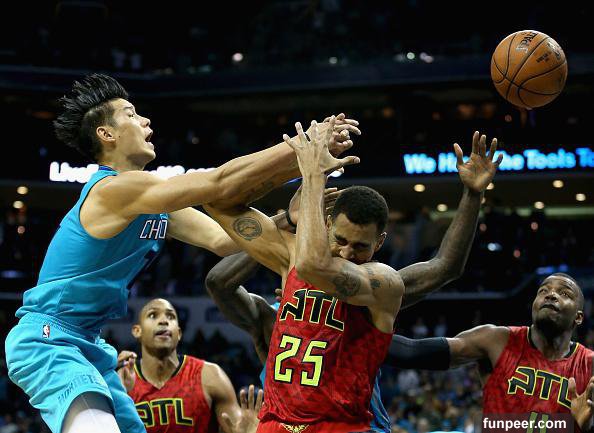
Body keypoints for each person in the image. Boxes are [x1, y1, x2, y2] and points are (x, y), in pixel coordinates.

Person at [4, 73, 360, 433]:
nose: (145, 120)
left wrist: (288, 217)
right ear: (106, 134)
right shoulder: (112, 190)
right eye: (131, 114)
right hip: (49, 339)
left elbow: (222, 241)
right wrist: (302, 146)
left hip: (90, 345)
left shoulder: (152, 203)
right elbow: (219, 183)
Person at [204, 121, 502, 432]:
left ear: (379, 243)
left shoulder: (380, 284)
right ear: (327, 225)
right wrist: (287, 206)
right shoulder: (291, 262)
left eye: (360, 246)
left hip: (342, 425)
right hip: (279, 424)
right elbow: (219, 201)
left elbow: (444, 266)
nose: (347, 253)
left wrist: (472, 194)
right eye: (341, 240)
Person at [384, 273, 594, 432]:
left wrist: (586, 427)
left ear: (578, 317)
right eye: (543, 290)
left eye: (564, 293)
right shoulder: (496, 340)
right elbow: (412, 352)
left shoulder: (589, 365)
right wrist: (367, 334)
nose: (551, 295)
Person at [116, 298, 263, 433]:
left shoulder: (210, 375)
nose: (164, 321)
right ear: (137, 331)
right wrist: (117, 392)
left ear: (179, 333)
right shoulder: (121, 380)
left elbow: (236, 427)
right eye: (153, 315)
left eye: (170, 317)